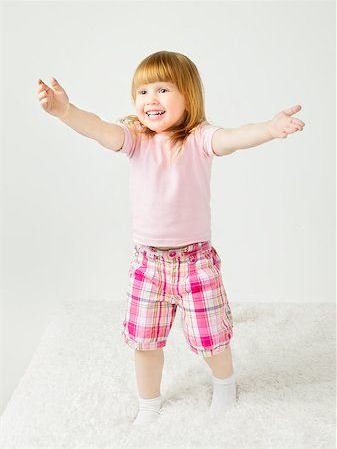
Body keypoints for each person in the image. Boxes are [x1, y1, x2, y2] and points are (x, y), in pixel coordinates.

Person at [37, 50, 305, 426]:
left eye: (163, 89)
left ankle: (225, 384)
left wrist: (268, 128)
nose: (151, 99)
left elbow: (234, 138)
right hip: (149, 264)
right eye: (143, 91)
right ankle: (149, 404)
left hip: (195, 262)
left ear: (188, 96)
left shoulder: (199, 138)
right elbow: (97, 127)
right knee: (144, 342)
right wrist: (66, 111)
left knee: (213, 338)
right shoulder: (134, 139)